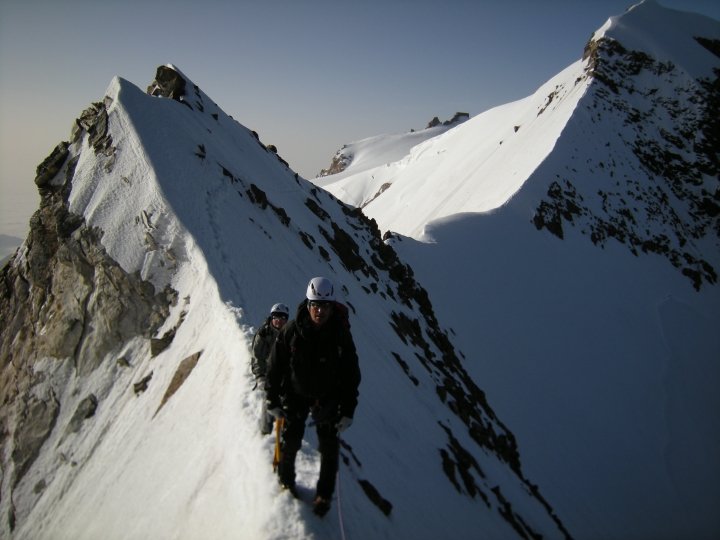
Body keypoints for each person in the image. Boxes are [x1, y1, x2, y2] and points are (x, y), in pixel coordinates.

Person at [265, 277, 361, 517]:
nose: (320, 310)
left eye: (325, 306)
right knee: (291, 441)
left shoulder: (340, 335)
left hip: (328, 398)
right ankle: (286, 483)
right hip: (295, 394)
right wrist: (272, 400)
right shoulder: (292, 331)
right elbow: (274, 366)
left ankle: (324, 496)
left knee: (329, 450)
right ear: (307, 304)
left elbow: (351, 374)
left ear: (331, 306)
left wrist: (348, 410)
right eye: (315, 305)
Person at [251, 303, 290, 435]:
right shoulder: (264, 333)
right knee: (267, 398)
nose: (279, 320)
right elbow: (257, 357)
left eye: (282, 317)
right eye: (276, 317)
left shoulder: (290, 335)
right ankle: (266, 431)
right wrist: (260, 377)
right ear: (271, 318)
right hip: (268, 373)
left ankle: (285, 431)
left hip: (284, 374)